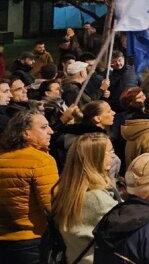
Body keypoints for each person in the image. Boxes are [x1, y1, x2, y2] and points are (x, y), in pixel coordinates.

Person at [51, 133, 119, 264]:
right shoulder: (98, 199)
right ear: (96, 157)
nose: (113, 156)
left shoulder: (65, 190)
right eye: (110, 151)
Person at [0, 110, 57, 263]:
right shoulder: (41, 160)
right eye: (44, 127)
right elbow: (52, 205)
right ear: (26, 133)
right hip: (31, 240)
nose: (51, 131)